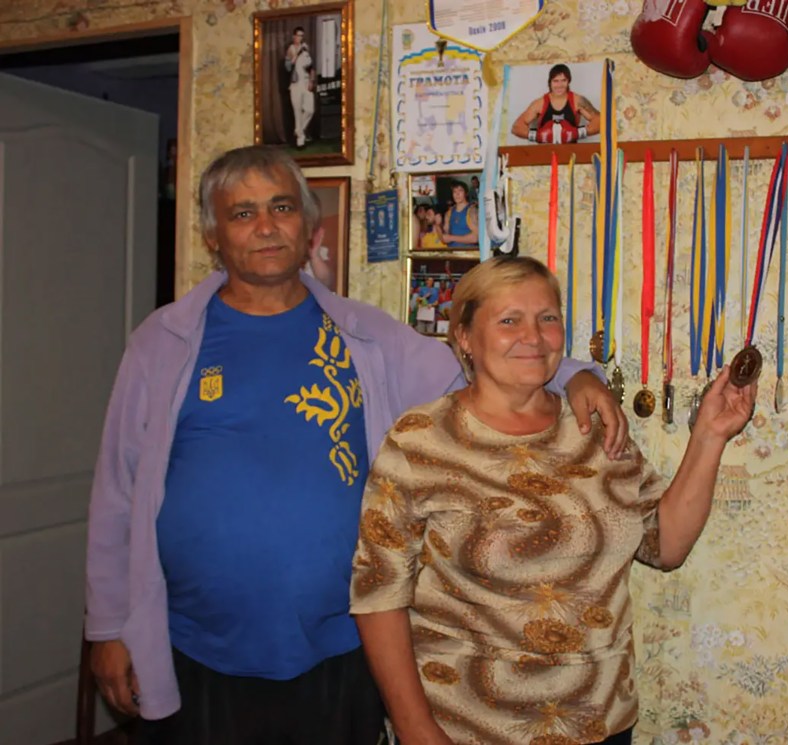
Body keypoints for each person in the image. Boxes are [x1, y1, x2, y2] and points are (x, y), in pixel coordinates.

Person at [84, 147, 627, 745]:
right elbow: (118, 491)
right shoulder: (163, 342)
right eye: (242, 214)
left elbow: (489, 364)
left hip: (339, 649)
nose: (266, 226)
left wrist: (573, 374)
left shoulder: (367, 336)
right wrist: (109, 627)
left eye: (281, 207)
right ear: (214, 236)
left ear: (309, 224)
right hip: (194, 646)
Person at [350, 256, 756, 745]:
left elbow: (665, 544)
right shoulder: (420, 441)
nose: (534, 336)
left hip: (599, 721)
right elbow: (378, 597)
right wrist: (415, 728)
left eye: (548, 318)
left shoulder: (596, 427)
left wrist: (711, 434)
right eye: (508, 321)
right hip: (468, 726)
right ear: (464, 337)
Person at [511, 63, 601, 144]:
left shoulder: (577, 101)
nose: (559, 85)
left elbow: (601, 122)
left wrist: (576, 133)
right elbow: (516, 127)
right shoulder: (540, 103)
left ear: (568, 81)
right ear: (550, 82)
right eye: (556, 81)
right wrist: (539, 135)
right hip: (545, 154)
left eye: (563, 80)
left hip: (571, 153)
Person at [285, 26, 315, 148]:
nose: (300, 38)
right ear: (294, 36)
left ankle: (298, 131)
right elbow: (288, 67)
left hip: (306, 82)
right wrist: (298, 53)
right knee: (297, 111)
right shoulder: (291, 49)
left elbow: (312, 66)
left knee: (309, 109)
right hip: (296, 84)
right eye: (298, 35)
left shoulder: (306, 48)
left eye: (302, 35)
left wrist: (311, 81)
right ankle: (300, 140)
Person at [441, 182, 478, 248]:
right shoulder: (448, 213)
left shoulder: (471, 211)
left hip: (468, 255)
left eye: (460, 190)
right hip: (452, 255)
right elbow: (445, 238)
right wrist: (437, 225)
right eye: (454, 192)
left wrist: (451, 238)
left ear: (466, 193)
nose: (457, 194)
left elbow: (475, 237)